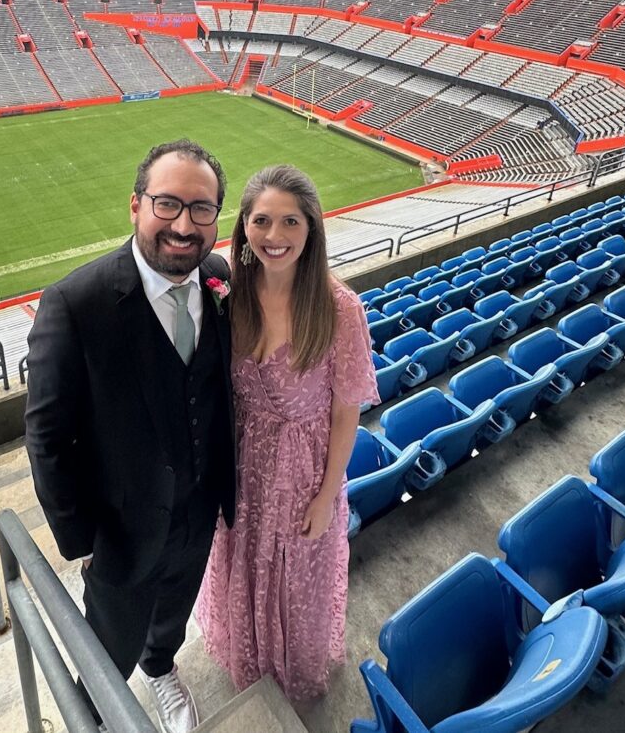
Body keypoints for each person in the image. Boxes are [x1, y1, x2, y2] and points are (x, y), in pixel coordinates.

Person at [25, 139, 238, 733]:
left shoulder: (217, 279)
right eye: (167, 204)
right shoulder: (75, 303)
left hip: (199, 513)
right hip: (121, 532)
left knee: (171, 612)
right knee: (107, 647)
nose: (184, 224)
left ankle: (162, 666)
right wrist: (80, 538)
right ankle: (91, 715)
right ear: (135, 206)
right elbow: (46, 437)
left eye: (202, 209)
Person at [196, 165, 379, 701]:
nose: (275, 237)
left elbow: (347, 412)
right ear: (244, 226)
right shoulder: (229, 289)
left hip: (303, 472)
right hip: (240, 463)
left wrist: (327, 494)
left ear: (312, 228)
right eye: (262, 221)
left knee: (294, 575)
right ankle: (249, 657)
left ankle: (287, 667)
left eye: (290, 222)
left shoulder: (340, 307)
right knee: (242, 562)